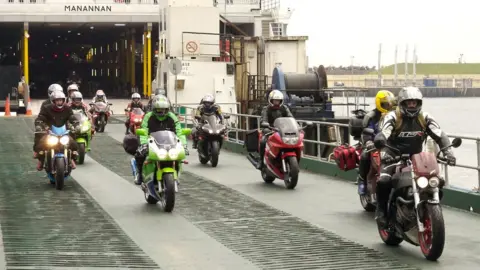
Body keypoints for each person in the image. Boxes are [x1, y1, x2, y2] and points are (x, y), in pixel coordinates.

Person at [373, 87, 456, 225]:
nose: (412, 105)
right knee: (384, 181)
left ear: (419, 103)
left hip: (416, 157)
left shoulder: (425, 117)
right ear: (402, 103)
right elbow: (384, 133)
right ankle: (381, 210)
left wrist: (448, 152)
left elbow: (440, 135)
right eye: (409, 102)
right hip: (392, 154)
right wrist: (380, 139)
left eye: (415, 102)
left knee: (436, 180)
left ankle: (427, 208)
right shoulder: (393, 116)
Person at [133, 95, 187, 185]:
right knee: (140, 154)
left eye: (164, 109)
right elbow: (144, 130)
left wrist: (183, 145)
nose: (161, 111)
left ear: (168, 109)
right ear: (154, 108)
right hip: (151, 142)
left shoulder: (172, 117)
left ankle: (176, 175)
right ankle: (139, 174)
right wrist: (144, 143)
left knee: (178, 157)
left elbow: (179, 132)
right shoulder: (148, 116)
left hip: (170, 143)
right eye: (158, 109)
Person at [357, 90, 395, 195]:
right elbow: (366, 132)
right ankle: (362, 180)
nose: (388, 106)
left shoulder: (395, 116)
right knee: (365, 155)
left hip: (391, 145)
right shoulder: (372, 117)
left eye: (390, 104)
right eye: (386, 104)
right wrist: (368, 142)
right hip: (375, 144)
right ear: (379, 103)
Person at [33, 91, 79, 171]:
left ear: (63, 100)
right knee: (41, 144)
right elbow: (41, 117)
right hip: (50, 132)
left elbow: (72, 117)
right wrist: (39, 124)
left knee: (73, 144)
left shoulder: (67, 108)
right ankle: (41, 160)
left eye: (61, 100)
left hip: (63, 132)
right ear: (53, 101)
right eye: (57, 100)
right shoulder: (47, 108)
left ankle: (71, 158)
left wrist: (76, 124)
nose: (59, 102)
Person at [256, 90, 293, 169]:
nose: (277, 102)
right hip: (270, 129)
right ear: (271, 100)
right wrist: (266, 124)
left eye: (278, 101)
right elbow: (264, 119)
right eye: (275, 100)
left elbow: (291, 118)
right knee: (263, 141)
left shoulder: (284, 108)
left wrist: (295, 126)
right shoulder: (266, 109)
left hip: (282, 129)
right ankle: (261, 160)